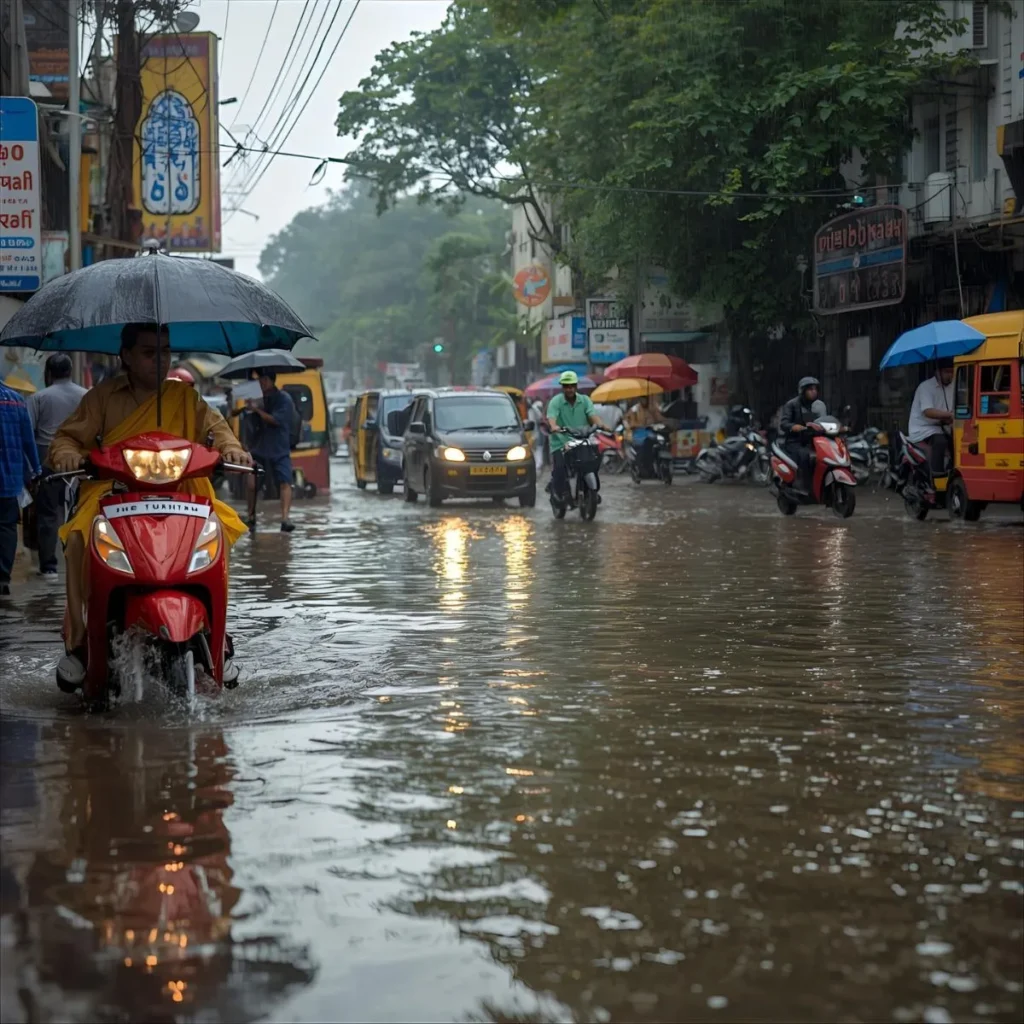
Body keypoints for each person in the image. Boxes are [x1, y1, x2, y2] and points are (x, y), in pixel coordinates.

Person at [48, 323, 251, 688]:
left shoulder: (186, 398)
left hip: (183, 492)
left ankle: (218, 636)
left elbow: (218, 431)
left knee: (220, 529)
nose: (160, 360)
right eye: (148, 352)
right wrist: (66, 455)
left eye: (165, 352)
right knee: (79, 536)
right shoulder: (102, 398)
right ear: (126, 355)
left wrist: (231, 448)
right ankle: (79, 646)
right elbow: (67, 438)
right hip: (115, 490)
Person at [26, 354, 87, 576]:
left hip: (48, 464)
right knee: (80, 512)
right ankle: (78, 562)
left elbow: (29, 433)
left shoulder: (39, 398)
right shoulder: (87, 395)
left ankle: (49, 567)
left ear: (49, 373)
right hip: (79, 465)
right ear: (70, 371)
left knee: (48, 515)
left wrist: (30, 471)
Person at [233, 370, 296, 532]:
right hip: (259, 448)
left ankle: (285, 518)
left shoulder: (284, 399)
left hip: (279, 448)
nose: (261, 384)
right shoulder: (258, 399)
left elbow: (276, 420)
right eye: (259, 381)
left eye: (263, 380)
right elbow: (245, 419)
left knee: (285, 482)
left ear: (270, 381)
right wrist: (247, 408)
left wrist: (257, 410)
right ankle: (251, 516)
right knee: (252, 482)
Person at [0, 381, 42, 597]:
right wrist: (36, 469)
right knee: (6, 527)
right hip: (10, 479)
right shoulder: (15, 400)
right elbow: (28, 441)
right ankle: (3, 577)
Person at [546, 371, 604, 501]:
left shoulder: (585, 400)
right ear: (562, 387)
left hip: (582, 441)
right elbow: (552, 418)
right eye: (566, 386)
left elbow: (592, 415)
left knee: (594, 459)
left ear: (576, 386)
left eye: (572, 386)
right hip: (560, 442)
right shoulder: (556, 402)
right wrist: (554, 427)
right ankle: (559, 491)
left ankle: (591, 489)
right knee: (560, 468)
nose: (569, 389)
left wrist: (601, 425)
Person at [907, 358, 954, 476]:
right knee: (940, 441)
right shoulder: (925, 387)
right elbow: (928, 412)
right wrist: (949, 415)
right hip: (924, 428)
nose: (950, 375)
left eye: (952, 371)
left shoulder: (953, 386)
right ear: (938, 372)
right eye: (947, 372)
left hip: (942, 426)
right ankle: (936, 476)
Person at [779, 376, 826, 493]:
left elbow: (824, 419)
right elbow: (784, 423)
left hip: (813, 440)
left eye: (815, 389)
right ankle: (804, 485)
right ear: (803, 390)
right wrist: (793, 427)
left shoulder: (817, 405)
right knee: (806, 456)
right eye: (810, 389)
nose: (814, 392)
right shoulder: (792, 404)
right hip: (794, 442)